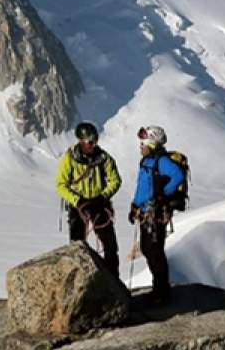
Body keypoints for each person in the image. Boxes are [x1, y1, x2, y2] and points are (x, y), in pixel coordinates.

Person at [56, 122, 122, 276]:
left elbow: (115, 180)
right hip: (79, 205)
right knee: (77, 247)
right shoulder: (70, 158)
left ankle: (113, 281)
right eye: (91, 142)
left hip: (99, 204)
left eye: (95, 141)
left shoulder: (103, 158)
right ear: (81, 141)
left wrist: (103, 196)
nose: (94, 145)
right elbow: (61, 185)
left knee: (110, 246)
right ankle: (80, 281)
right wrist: (77, 201)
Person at [129, 125, 186, 304]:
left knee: (154, 251)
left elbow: (178, 176)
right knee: (148, 249)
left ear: (152, 143)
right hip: (147, 211)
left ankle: (161, 291)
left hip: (155, 212)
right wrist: (135, 205)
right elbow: (143, 188)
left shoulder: (160, 161)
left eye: (144, 142)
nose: (141, 145)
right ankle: (159, 289)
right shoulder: (148, 161)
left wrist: (162, 194)